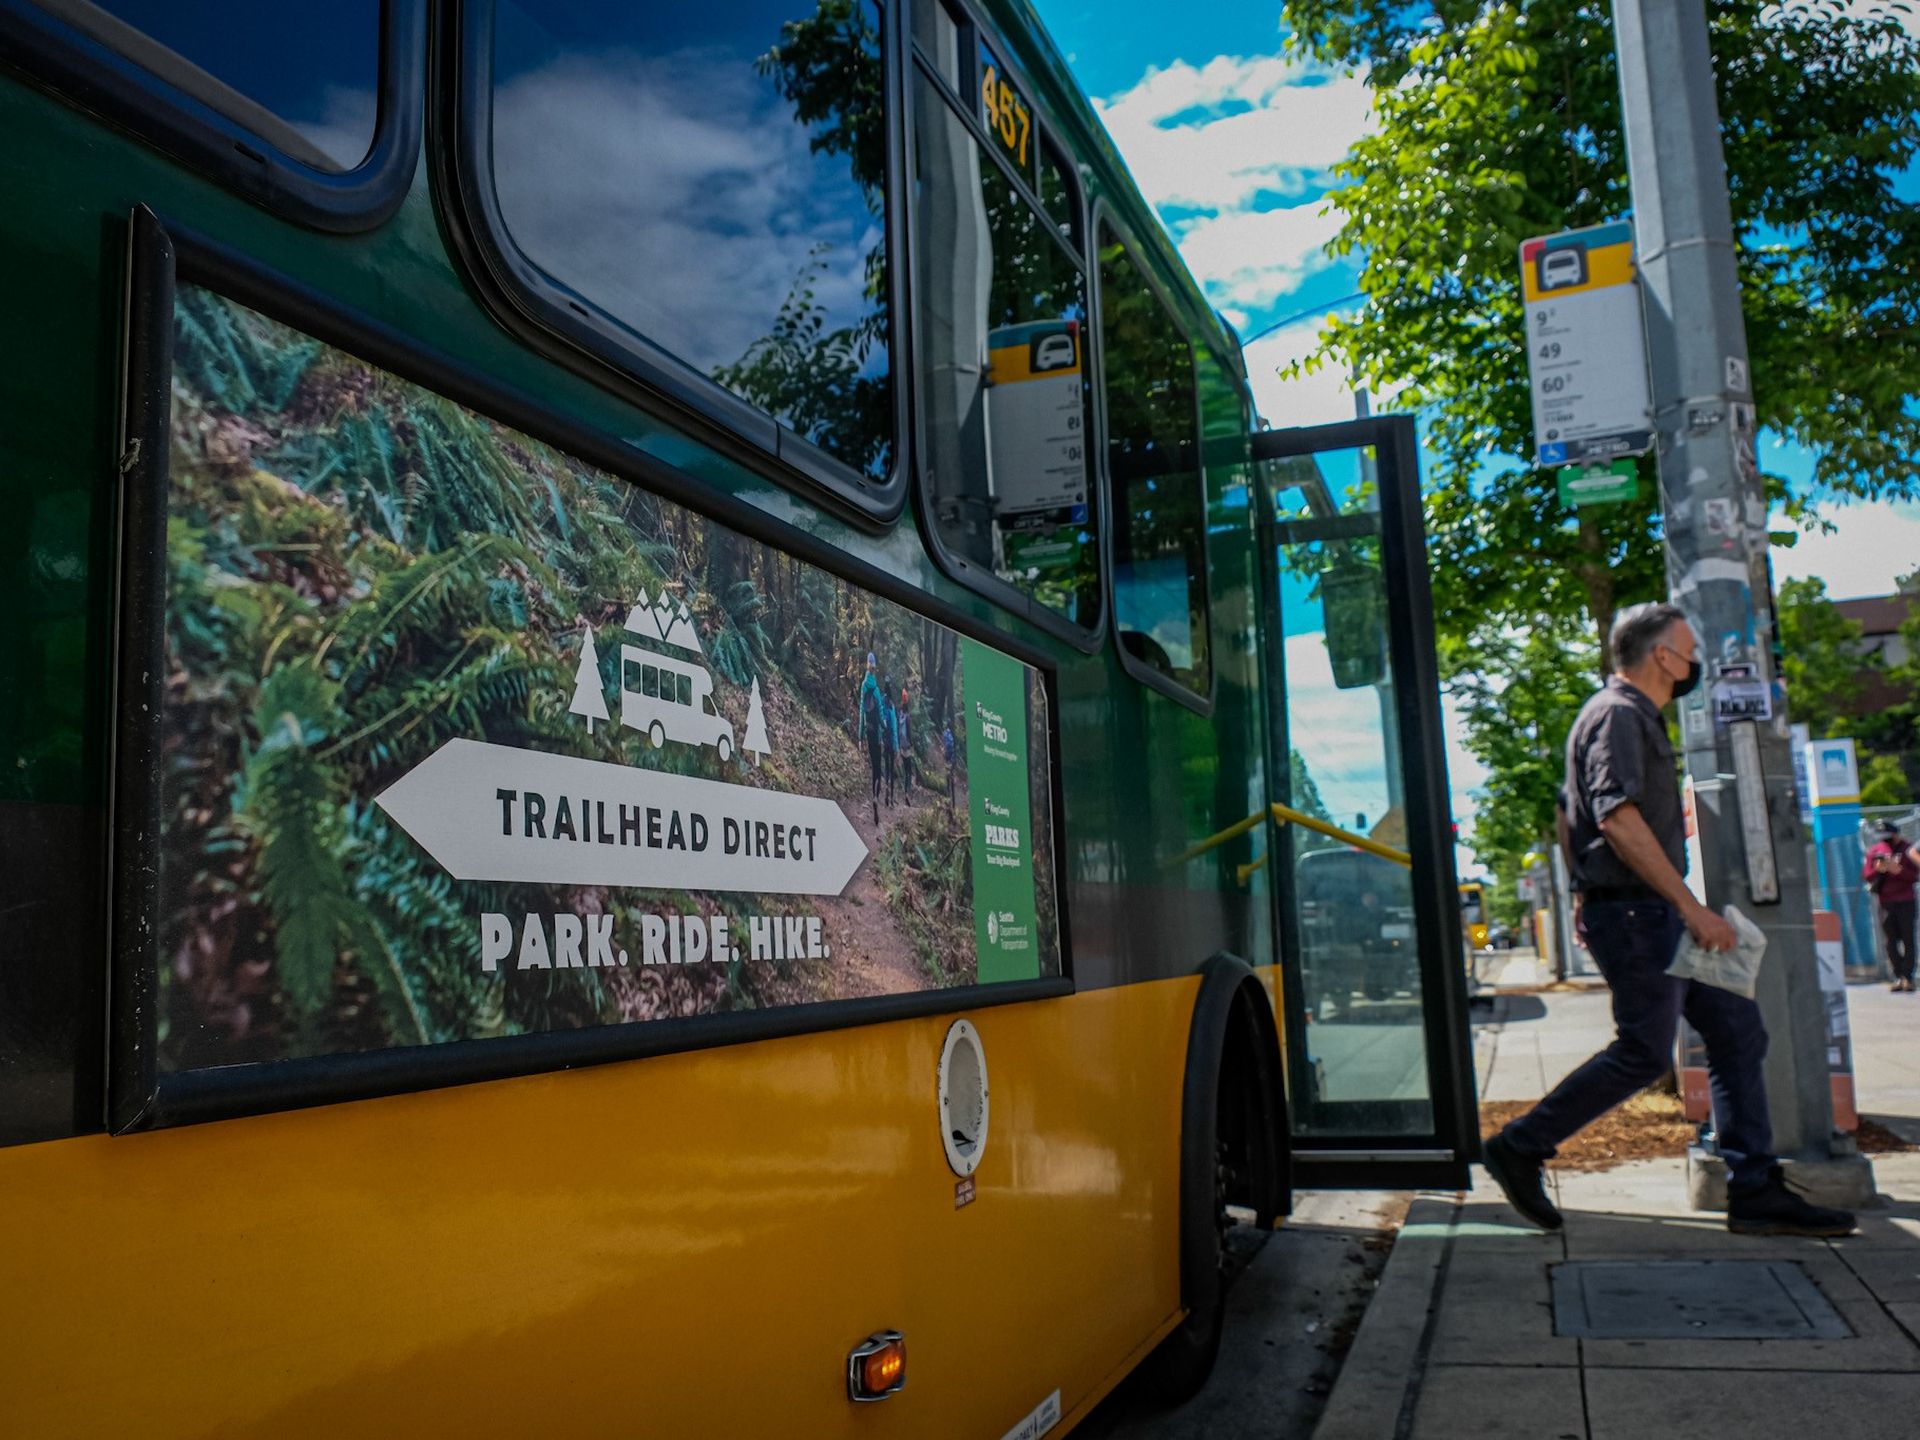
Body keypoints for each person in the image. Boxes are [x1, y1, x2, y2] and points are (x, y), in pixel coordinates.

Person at [1481, 601, 1855, 1238]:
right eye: (1688, 651)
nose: (1694, 664)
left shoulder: (1627, 716)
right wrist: (1689, 906)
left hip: (1642, 910)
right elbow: (1614, 816)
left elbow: (1569, 814)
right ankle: (1521, 1144)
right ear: (1662, 656)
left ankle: (1755, 1188)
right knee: (1643, 1049)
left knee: (1737, 1032)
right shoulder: (1619, 714)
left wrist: (1589, 896)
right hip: (1639, 912)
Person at [1862, 819, 1920, 991]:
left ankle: (1908, 977)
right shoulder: (1876, 851)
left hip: (1906, 900)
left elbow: (1915, 876)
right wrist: (1878, 869)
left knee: (1908, 940)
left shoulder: (1908, 849)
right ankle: (1898, 976)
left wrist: (1898, 870)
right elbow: (1866, 875)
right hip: (1886, 902)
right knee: (1890, 941)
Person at [857, 652, 885, 823]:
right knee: (877, 767)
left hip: (868, 731)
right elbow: (881, 715)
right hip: (878, 734)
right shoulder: (877, 689)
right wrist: (885, 727)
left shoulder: (864, 685)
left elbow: (861, 711)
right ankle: (876, 795)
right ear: (875, 667)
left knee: (872, 761)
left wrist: (860, 737)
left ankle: (872, 796)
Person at [880, 674, 898, 807]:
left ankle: (886, 792)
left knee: (886, 767)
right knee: (891, 768)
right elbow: (895, 727)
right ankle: (891, 798)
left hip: (884, 740)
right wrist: (896, 746)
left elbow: (880, 721)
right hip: (891, 741)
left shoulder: (882, 701)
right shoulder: (892, 705)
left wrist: (880, 738)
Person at [897, 686, 914, 802]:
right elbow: (909, 732)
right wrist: (911, 743)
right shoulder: (907, 717)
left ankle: (905, 792)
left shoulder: (900, 715)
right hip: (907, 746)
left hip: (901, 746)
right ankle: (907, 793)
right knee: (909, 771)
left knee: (905, 769)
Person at [942, 717, 957, 815]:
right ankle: (953, 803)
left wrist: (943, 753)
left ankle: (948, 801)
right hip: (952, 759)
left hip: (947, 758)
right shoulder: (951, 734)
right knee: (951, 779)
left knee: (947, 779)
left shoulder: (945, 734)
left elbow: (946, 746)